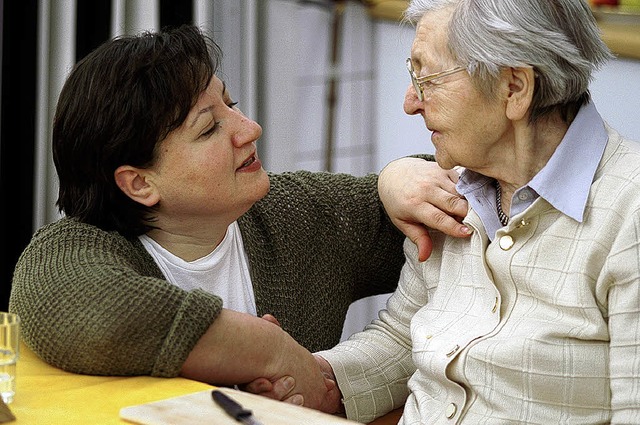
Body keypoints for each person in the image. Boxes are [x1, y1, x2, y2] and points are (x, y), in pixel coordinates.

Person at [8, 24, 469, 408]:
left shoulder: (295, 215)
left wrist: (394, 176)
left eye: (230, 104)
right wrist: (266, 349)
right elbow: (81, 313)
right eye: (209, 128)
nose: (249, 129)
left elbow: (477, 200)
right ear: (139, 184)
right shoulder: (77, 247)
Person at [251, 0, 640, 423]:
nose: (410, 103)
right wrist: (319, 379)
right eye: (412, 74)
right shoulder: (453, 189)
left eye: (428, 77)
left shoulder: (628, 212)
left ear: (514, 88)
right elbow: (404, 338)